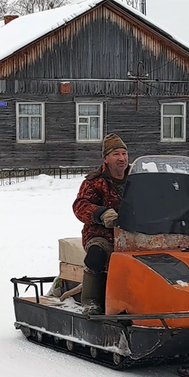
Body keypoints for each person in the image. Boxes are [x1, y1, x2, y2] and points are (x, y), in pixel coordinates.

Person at [71, 133, 129, 314]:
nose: (122, 158)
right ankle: (90, 301)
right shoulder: (94, 182)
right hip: (102, 235)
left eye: (124, 154)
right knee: (97, 255)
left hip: (136, 233)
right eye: (116, 154)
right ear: (106, 158)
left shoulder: (139, 178)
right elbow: (80, 206)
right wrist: (101, 213)